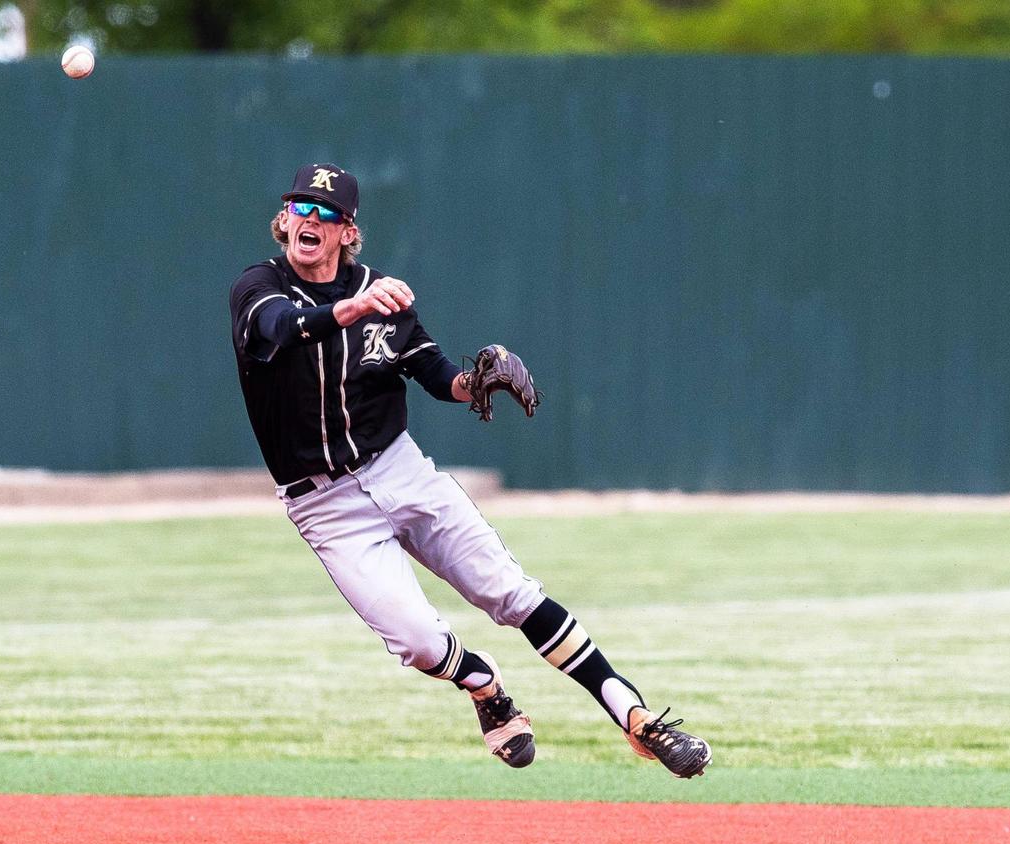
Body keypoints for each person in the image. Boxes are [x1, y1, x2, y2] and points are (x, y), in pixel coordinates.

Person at [229, 162, 712, 777]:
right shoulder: (258, 287)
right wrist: (350, 310)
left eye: (325, 213)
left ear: (348, 231)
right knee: (419, 642)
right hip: (323, 502)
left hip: (400, 470)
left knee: (513, 594)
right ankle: (483, 683)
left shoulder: (385, 296)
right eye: (299, 207)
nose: (308, 220)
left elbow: (437, 379)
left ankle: (636, 717)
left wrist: (475, 381)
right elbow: (278, 327)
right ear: (283, 218)